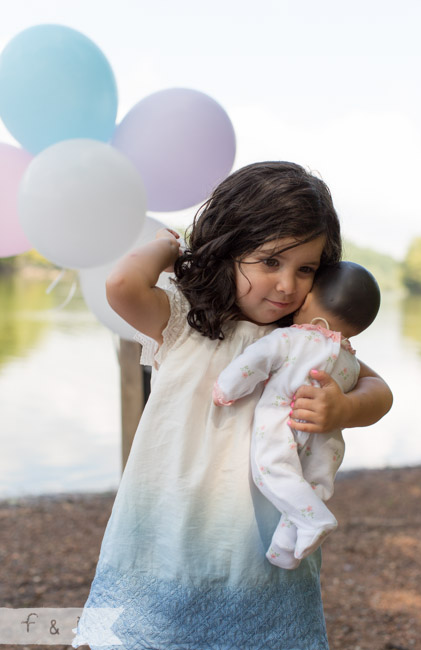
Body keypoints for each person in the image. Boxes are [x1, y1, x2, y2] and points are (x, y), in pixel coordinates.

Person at [73, 162, 392, 650]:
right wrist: (167, 248)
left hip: (259, 539)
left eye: (305, 269)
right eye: (270, 262)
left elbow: (379, 391)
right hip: (170, 526)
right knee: (151, 632)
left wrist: (342, 411)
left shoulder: (306, 340)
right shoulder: (182, 320)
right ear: (227, 249)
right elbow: (121, 287)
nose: (287, 285)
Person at [213, 261, 381, 571]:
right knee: (311, 483)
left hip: (283, 421)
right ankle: (285, 549)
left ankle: (315, 520)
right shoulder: (351, 363)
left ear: (310, 304)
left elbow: (255, 361)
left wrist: (227, 388)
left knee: (273, 471)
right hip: (326, 438)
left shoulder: (292, 338)